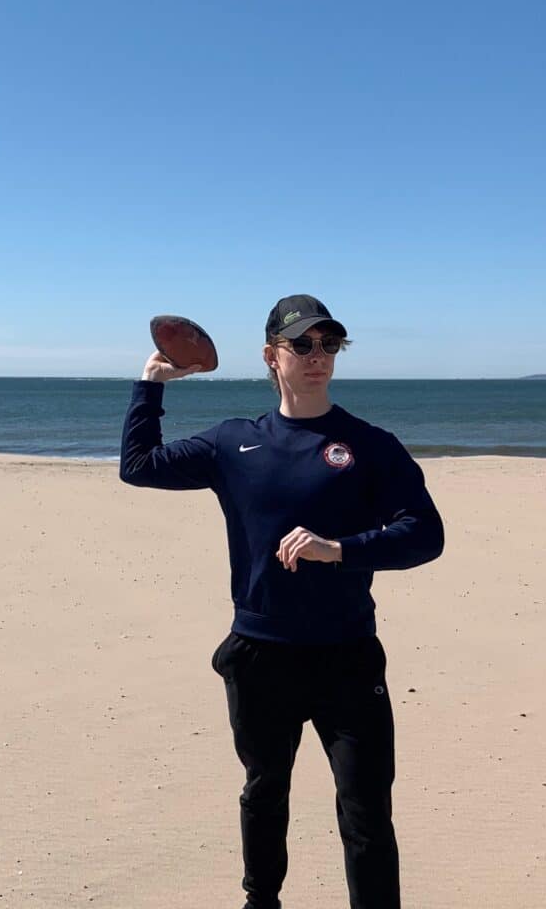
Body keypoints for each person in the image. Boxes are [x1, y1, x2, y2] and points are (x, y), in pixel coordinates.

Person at [119, 294, 444, 909]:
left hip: (347, 656)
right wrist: (151, 385)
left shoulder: (370, 445)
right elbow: (138, 466)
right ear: (272, 356)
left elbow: (426, 535)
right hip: (261, 655)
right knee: (264, 793)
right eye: (302, 345)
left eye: (328, 345)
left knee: (367, 809)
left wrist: (340, 549)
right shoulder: (234, 443)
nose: (317, 356)